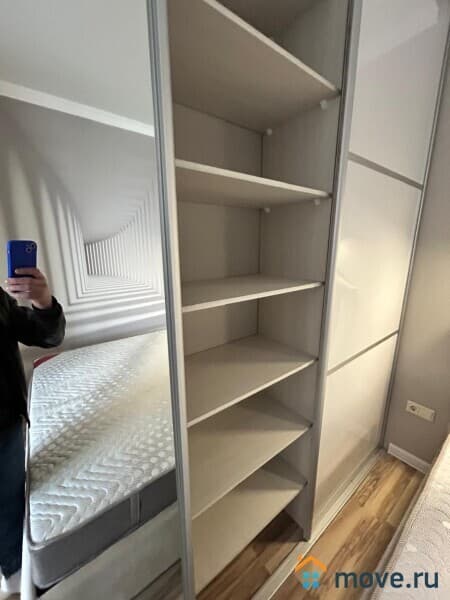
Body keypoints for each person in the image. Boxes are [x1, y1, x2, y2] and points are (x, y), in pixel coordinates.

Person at [0, 268, 65, 596]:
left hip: (7, 422)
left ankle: (15, 578)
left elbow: (46, 335)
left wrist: (43, 301)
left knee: (11, 503)